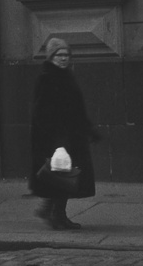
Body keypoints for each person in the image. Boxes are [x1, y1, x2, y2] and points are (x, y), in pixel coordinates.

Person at [29, 36, 99, 230]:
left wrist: (88, 129)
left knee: (65, 178)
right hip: (56, 138)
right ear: (51, 57)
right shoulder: (46, 78)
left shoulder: (67, 76)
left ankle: (53, 212)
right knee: (61, 178)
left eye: (66, 55)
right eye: (59, 55)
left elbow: (77, 108)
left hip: (71, 136)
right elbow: (41, 113)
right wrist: (56, 140)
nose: (63, 58)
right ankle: (55, 215)